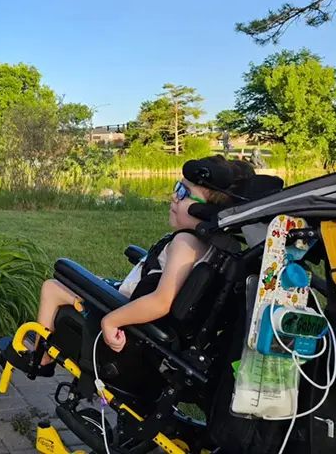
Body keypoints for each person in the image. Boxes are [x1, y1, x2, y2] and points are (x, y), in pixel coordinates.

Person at [27, 155, 255, 374]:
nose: (174, 196)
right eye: (177, 187)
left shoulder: (186, 242)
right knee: (83, 282)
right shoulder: (219, 245)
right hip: (134, 301)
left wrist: (110, 321)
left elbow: (161, 301)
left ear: (205, 210)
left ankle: (42, 359)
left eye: (184, 192)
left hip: (125, 312)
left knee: (53, 287)